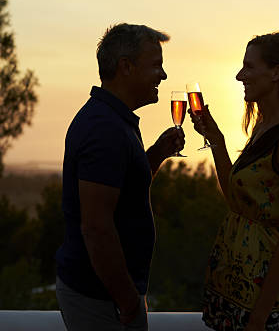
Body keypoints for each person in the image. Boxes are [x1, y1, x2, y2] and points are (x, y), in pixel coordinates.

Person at [190, 32, 279, 331]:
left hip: (265, 307)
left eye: (249, 67)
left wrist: (258, 318)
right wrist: (215, 140)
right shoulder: (264, 128)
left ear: (277, 72)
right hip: (235, 295)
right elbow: (237, 203)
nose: (240, 75)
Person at [55, 23, 184, 331]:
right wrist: (127, 299)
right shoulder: (105, 128)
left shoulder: (113, 119)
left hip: (107, 294)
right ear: (126, 67)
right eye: (156, 66)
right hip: (100, 297)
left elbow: (124, 190)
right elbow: (97, 228)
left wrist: (155, 155)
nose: (163, 75)